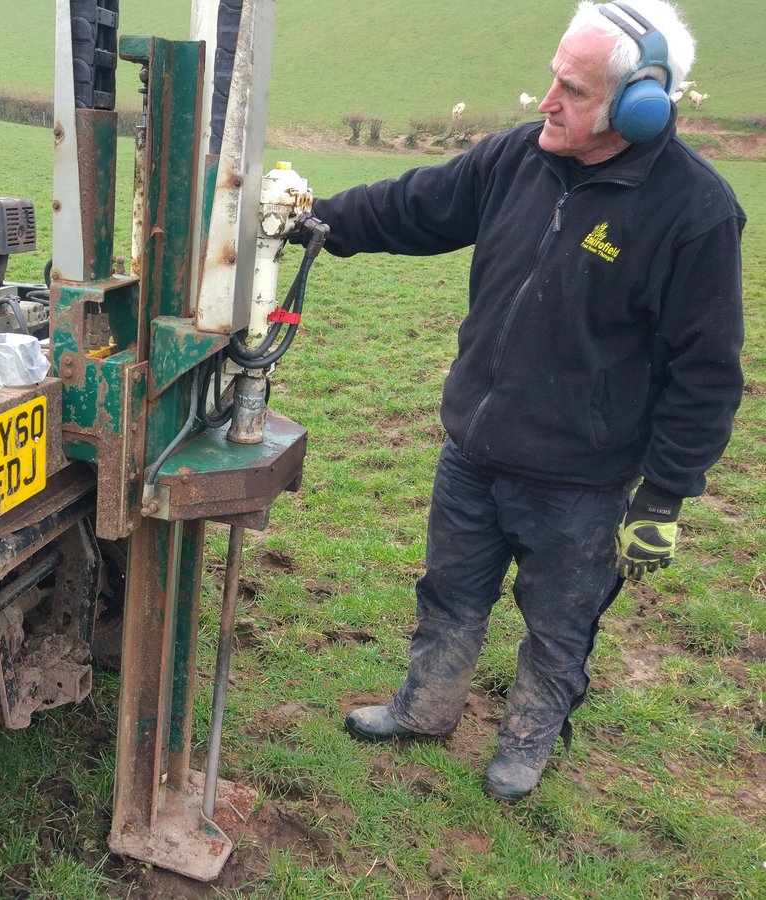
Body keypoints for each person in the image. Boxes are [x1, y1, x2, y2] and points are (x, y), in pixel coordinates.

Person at [299, 0, 745, 801]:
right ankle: (426, 708)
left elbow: (706, 372)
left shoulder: (695, 214)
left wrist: (665, 496)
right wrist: (311, 220)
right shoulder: (519, 158)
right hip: (473, 449)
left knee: (559, 622)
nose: (547, 100)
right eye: (552, 78)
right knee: (450, 592)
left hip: (582, 480)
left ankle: (528, 743)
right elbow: (416, 205)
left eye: (572, 89)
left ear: (640, 105)